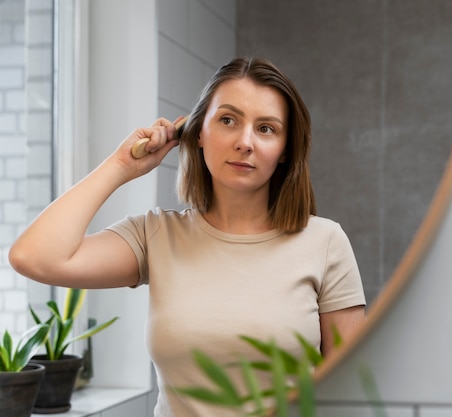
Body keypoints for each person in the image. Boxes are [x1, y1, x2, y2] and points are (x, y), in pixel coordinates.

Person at [9, 57, 366, 416]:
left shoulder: (325, 243)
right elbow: (34, 256)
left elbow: (351, 391)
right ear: (197, 133)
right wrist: (121, 167)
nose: (245, 142)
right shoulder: (156, 236)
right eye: (228, 120)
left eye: (266, 128)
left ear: (285, 149)